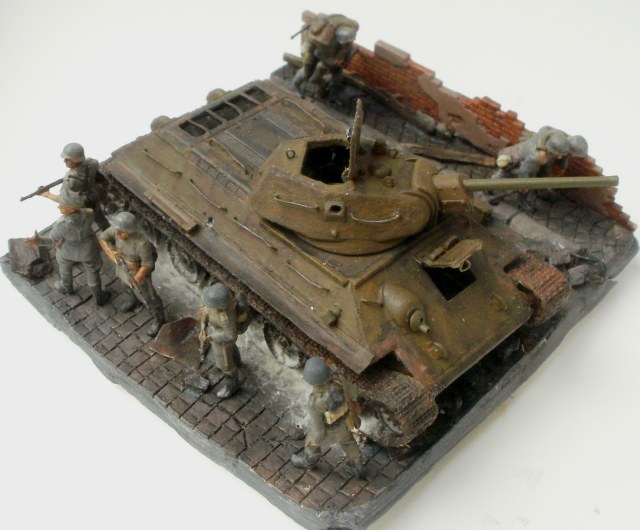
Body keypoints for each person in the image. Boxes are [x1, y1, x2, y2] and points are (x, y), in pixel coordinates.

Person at [27, 188, 110, 305]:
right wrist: (48, 195)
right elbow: (77, 205)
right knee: (93, 272)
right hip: (88, 251)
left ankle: (66, 287)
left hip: (67, 252)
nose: (59, 207)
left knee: (64, 269)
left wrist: (38, 241)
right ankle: (98, 296)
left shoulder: (61, 225)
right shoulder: (89, 214)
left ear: (72, 209)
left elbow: (52, 241)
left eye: (62, 205)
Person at [291, 357, 364, 478]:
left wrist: (312, 440)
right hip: (346, 422)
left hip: (330, 431)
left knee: (312, 446)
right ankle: (357, 467)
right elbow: (354, 393)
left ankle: (308, 462)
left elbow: (318, 430)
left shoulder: (314, 403)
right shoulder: (340, 382)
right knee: (349, 443)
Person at [98, 211, 165, 337]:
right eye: (117, 230)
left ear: (129, 231)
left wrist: (138, 277)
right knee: (125, 286)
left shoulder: (142, 244)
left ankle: (159, 319)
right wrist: (110, 252)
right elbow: (102, 238)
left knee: (149, 297)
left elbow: (147, 264)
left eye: (121, 232)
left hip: (137, 271)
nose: (118, 234)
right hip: (122, 266)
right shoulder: (117, 230)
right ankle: (134, 300)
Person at [39, 143, 109, 230]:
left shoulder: (70, 180)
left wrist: (48, 195)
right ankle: (106, 227)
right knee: (100, 218)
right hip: (93, 194)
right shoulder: (93, 162)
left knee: (83, 224)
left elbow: (66, 202)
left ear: (73, 161)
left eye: (67, 159)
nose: (64, 161)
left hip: (84, 202)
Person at [292, 13, 359, 96]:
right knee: (307, 71)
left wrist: (339, 61)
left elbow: (344, 50)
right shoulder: (324, 36)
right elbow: (317, 51)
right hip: (316, 50)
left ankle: (326, 90)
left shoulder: (347, 31)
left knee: (332, 72)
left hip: (327, 55)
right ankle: (295, 85)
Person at [198, 283, 244, 399]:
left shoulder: (225, 318)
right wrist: (203, 327)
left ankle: (232, 386)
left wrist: (210, 337)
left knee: (225, 365)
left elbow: (230, 335)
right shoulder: (211, 303)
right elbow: (204, 311)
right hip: (216, 334)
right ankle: (237, 362)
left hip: (223, 342)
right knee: (233, 351)